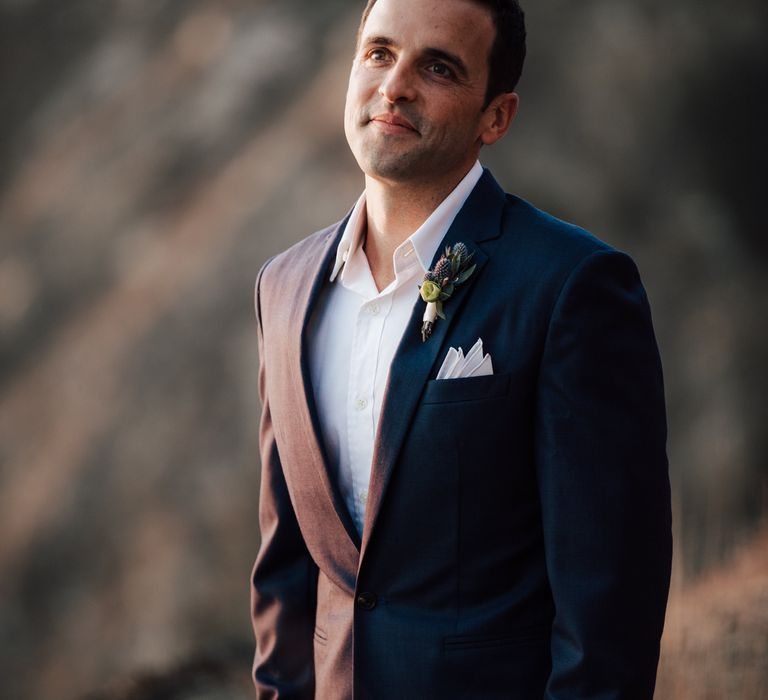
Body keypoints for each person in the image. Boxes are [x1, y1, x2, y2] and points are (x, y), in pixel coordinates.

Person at [249, 0, 672, 697]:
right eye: (379, 53)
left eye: (438, 67)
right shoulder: (284, 286)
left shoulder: (572, 285)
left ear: (495, 117)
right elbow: (286, 565)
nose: (395, 85)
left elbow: (609, 597)